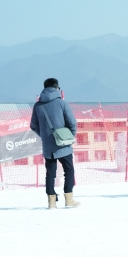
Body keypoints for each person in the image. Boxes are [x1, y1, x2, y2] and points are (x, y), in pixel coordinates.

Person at [30, 78, 78, 209]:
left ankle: (51, 202)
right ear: (57, 88)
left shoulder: (37, 106)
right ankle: (69, 199)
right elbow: (72, 123)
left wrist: (44, 135)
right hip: (63, 144)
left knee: (50, 173)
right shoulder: (62, 103)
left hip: (48, 146)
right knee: (69, 170)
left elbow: (33, 125)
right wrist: (69, 136)